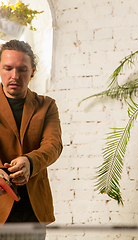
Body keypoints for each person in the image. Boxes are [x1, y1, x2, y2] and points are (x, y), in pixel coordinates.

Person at [0, 40, 62, 238]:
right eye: (8, 68)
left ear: (33, 70)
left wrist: (30, 162)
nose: (14, 76)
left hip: (33, 211)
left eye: (22, 69)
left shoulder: (47, 105)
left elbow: (53, 145)